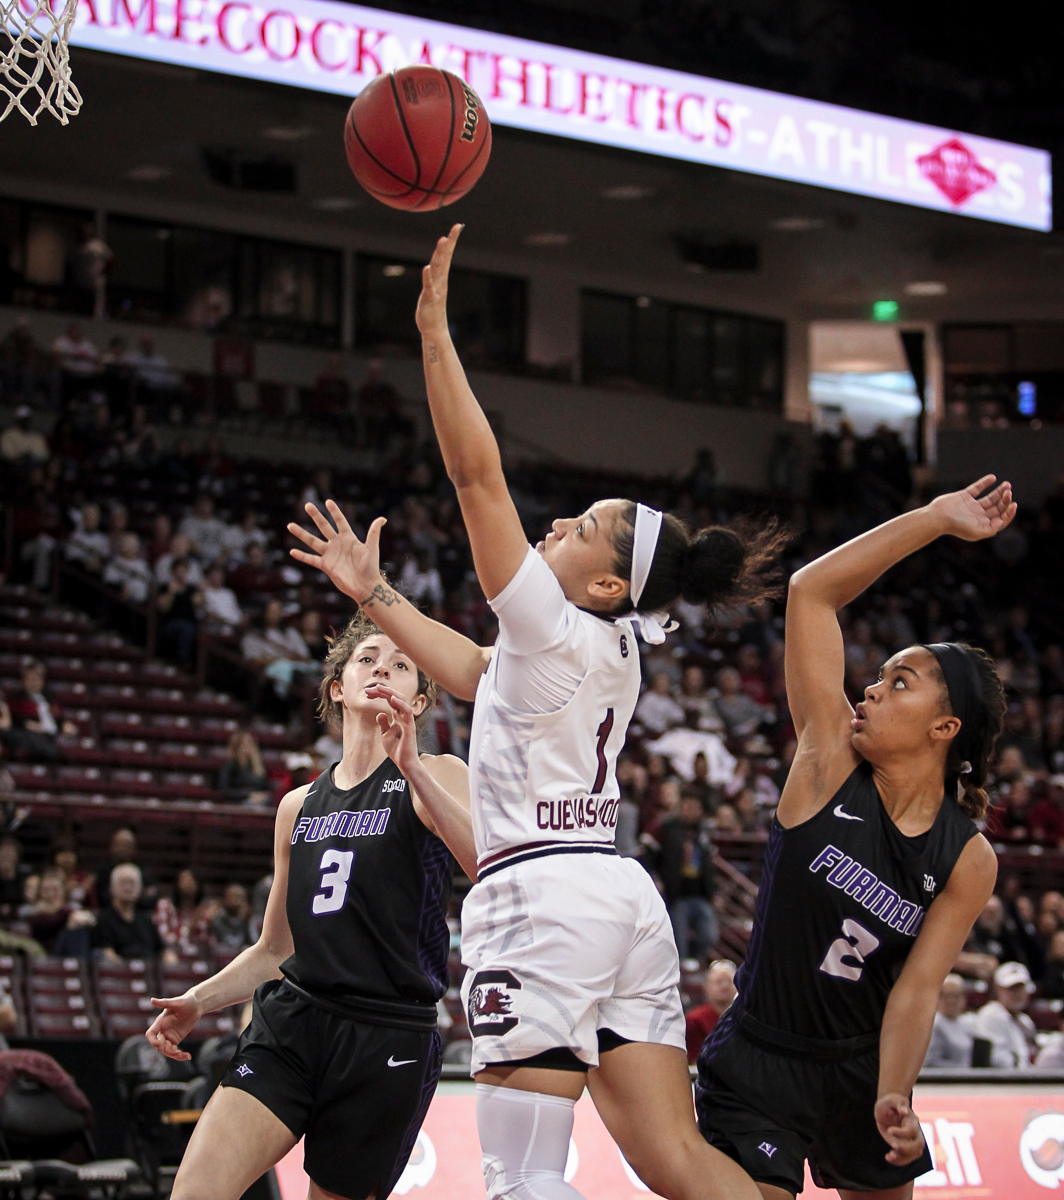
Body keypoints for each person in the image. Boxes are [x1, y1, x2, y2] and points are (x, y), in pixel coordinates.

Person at [288, 225, 776, 1200]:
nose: (556, 525)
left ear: (606, 584)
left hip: (541, 898)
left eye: (581, 528)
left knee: (522, 1175)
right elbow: (476, 671)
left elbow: (476, 478)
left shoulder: (553, 623)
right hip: (619, 900)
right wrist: (373, 593)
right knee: (677, 1164)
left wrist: (435, 338)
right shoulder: (611, 643)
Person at [696, 475, 1014, 1199]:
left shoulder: (967, 857)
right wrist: (933, 519)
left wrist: (895, 1093)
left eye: (901, 683)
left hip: (862, 1068)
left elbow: (917, 990)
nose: (870, 687)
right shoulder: (830, 759)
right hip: (762, 1058)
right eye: (880, 675)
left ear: (945, 727)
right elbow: (810, 592)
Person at [147, 615, 475, 1200]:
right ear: (338, 688)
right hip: (294, 1019)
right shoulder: (297, 806)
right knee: (194, 1192)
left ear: (420, 701)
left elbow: (489, 867)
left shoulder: (440, 773)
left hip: (387, 1033)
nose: (383, 667)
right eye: (367, 658)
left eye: (401, 663)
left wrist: (412, 769)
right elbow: (274, 949)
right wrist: (199, 999)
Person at [660, 790, 719, 963]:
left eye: (695, 807)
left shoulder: (704, 831)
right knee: (679, 941)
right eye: (688, 806)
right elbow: (652, 853)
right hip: (678, 896)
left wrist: (713, 891)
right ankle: (682, 970)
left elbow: (709, 863)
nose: (691, 811)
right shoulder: (668, 828)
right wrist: (658, 879)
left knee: (709, 935)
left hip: (701, 895)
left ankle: (697, 962)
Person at [94, 864, 177, 963]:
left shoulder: (146, 920)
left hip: (148, 968)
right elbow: (107, 954)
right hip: (121, 970)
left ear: (140, 888)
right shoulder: (104, 920)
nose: (128, 888)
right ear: (112, 888)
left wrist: (170, 959)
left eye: (132, 883)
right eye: (123, 883)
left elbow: (162, 950)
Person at [973, 961, 1036, 1069]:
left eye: (1020, 987)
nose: (1017, 993)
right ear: (997, 989)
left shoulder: (1025, 1021)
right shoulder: (990, 1016)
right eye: (1011, 988)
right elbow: (998, 1060)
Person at [686, 961, 738, 1064]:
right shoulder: (694, 1020)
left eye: (729, 981)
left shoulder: (745, 1017)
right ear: (706, 986)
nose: (724, 986)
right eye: (719, 982)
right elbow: (693, 1059)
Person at [922, 974, 976, 1068]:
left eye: (956, 996)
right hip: (947, 1076)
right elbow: (931, 1062)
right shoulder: (934, 1025)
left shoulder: (969, 1023)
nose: (951, 1000)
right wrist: (964, 1070)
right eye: (946, 996)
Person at [218, 731, 272, 806]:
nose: (248, 747)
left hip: (260, 801)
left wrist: (263, 795)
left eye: (250, 743)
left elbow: (266, 788)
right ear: (237, 747)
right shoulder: (230, 766)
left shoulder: (259, 768)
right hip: (238, 803)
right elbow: (226, 791)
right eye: (244, 744)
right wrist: (249, 794)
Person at [210, 883, 253, 953]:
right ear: (225, 899)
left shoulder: (247, 919)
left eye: (239, 897)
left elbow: (253, 942)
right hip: (221, 954)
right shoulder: (217, 918)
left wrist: (250, 921)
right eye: (233, 897)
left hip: (240, 954)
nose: (235, 901)